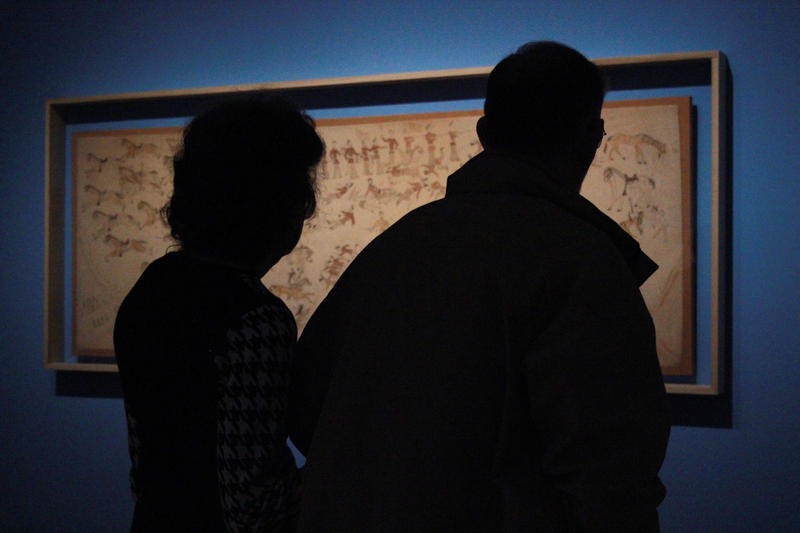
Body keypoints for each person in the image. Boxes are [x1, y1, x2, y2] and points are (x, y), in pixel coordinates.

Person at [289, 41, 670, 532]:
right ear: (592, 137)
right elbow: (610, 477)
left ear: (484, 132)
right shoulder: (579, 260)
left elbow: (308, 403)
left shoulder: (401, 242)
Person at [114, 97, 323, 532]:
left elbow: (145, 468)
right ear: (276, 202)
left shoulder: (153, 286)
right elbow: (253, 504)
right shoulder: (255, 319)